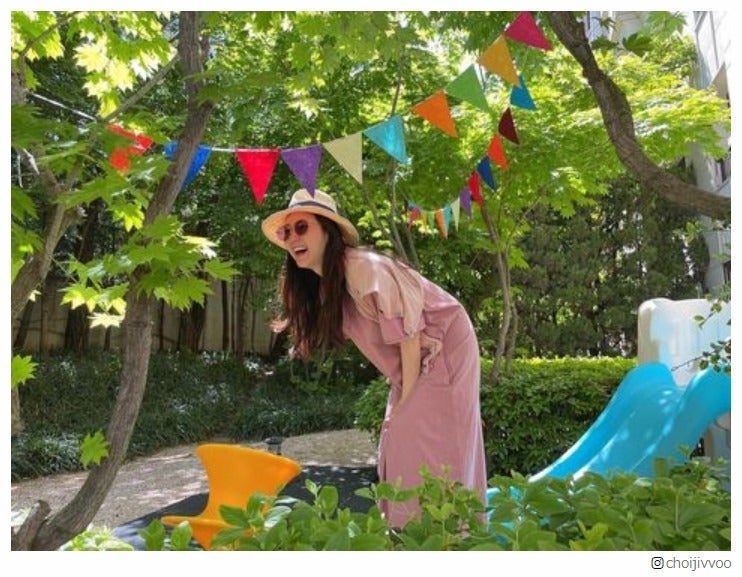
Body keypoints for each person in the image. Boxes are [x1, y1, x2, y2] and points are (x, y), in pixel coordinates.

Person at [262, 188, 487, 527]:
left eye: (302, 227)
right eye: (286, 232)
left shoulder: (364, 269)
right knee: (397, 445)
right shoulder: (330, 285)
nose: (293, 238)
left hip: (443, 347)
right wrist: (400, 399)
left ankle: (450, 537)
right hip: (416, 357)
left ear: (328, 230)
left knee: (426, 443)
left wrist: (405, 404)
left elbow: (410, 336)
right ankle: (406, 536)